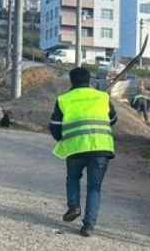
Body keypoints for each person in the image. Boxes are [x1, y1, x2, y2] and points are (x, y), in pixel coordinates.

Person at [48, 66, 117, 238]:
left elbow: (54, 126)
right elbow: (113, 119)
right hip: (100, 147)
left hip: (75, 147)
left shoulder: (64, 99)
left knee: (72, 177)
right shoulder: (102, 97)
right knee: (94, 187)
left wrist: (63, 139)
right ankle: (88, 226)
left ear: (71, 81)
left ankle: (74, 205)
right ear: (90, 80)